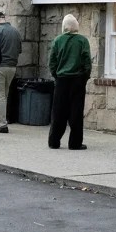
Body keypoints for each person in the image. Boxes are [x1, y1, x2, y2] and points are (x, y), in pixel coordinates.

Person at [48, 14, 92, 150]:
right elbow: (87, 61)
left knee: (58, 111)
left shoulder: (57, 40)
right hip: (77, 80)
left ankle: (54, 141)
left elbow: (52, 62)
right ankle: (75, 143)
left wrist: (56, 75)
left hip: (62, 80)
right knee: (76, 112)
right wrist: (85, 76)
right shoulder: (82, 41)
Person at [0, 11, 22, 134]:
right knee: (4, 95)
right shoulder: (15, 31)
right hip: (12, 67)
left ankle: (1, 124)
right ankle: (1, 120)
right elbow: (19, 50)